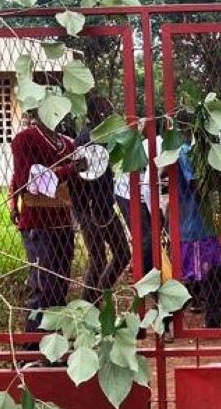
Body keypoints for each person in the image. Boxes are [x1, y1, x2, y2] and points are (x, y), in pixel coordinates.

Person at [9, 110, 83, 331]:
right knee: (43, 286)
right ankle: (32, 348)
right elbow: (25, 179)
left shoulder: (67, 145)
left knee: (60, 286)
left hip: (62, 222)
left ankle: (53, 346)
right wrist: (69, 170)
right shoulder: (25, 139)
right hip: (38, 224)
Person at [69, 95, 130, 301]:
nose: (111, 116)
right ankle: (89, 305)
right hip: (89, 207)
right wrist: (90, 206)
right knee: (98, 259)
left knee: (122, 254)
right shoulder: (86, 138)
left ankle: (98, 295)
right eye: (108, 112)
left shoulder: (103, 136)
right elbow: (81, 177)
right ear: (99, 114)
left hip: (103, 206)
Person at [172, 116, 221, 328]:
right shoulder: (185, 152)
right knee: (193, 276)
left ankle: (213, 321)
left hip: (205, 225)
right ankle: (167, 316)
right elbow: (195, 184)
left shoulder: (198, 153)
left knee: (213, 274)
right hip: (194, 227)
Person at [114, 131, 159, 277]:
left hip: (142, 192)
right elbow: (147, 187)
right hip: (127, 193)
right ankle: (144, 276)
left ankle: (148, 268)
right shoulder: (157, 148)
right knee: (146, 237)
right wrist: (155, 212)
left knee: (151, 236)